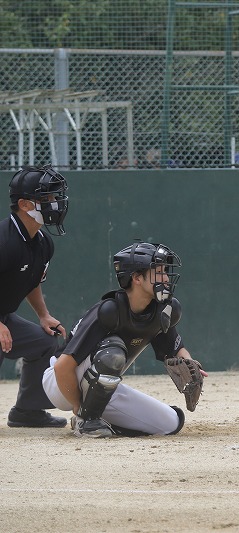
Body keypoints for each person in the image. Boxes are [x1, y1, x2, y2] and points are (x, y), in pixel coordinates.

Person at [42, 242, 207, 437]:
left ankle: (99, 419)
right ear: (137, 278)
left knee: (171, 423)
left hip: (101, 387)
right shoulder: (109, 311)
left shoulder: (163, 310)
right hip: (61, 383)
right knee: (113, 353)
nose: (165, 278)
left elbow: (175, 350)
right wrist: (78, 407)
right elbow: (62, 367)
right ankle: (86, 421)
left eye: (165, 271)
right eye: (158, 272)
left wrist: (189, 364)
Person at [1, 165, 70, 428]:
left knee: (45, 341)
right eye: (47, 198)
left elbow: (32, 281)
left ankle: (27, 411)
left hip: (5, 316)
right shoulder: (4, 241)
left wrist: (43, 315)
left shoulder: (43, 242)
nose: (55, 203)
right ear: (24, 204)